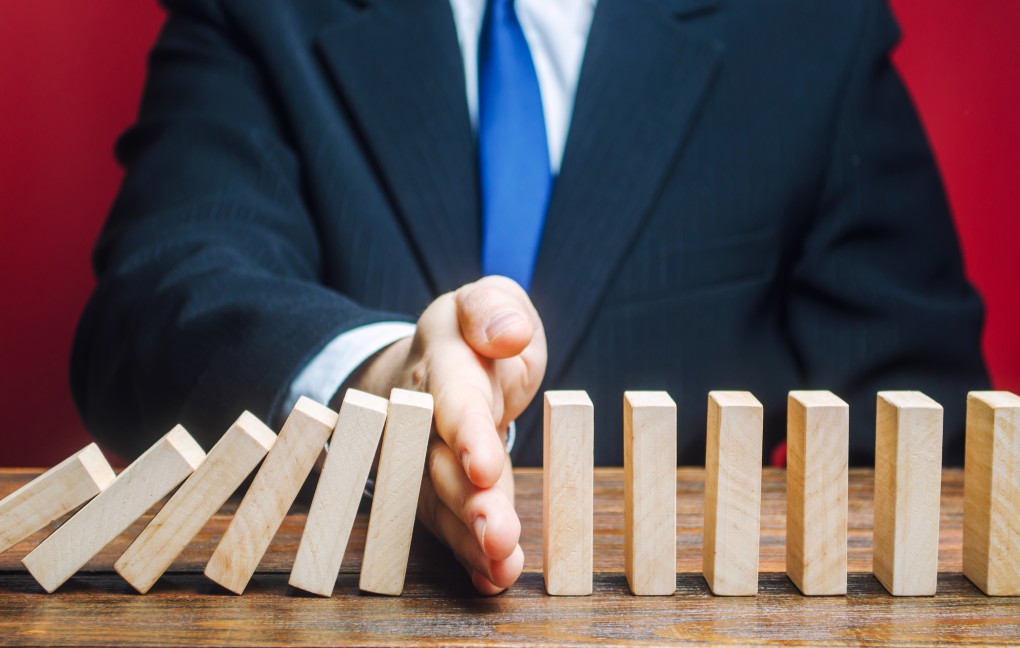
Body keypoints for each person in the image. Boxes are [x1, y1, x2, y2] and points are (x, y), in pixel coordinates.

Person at [71, 0, 989, 594]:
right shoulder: (257, 15)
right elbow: (158, 302)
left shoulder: (811, 30)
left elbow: (929, 421)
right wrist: (389, 374)